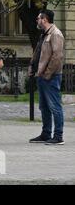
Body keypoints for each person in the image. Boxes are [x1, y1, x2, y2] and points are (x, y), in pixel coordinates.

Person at [28, 9, 65, 145]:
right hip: (41, 75)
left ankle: (58, 136)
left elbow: (57, 56)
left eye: (38, 18)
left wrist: (47, 73)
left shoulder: (55, 34)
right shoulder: (44, 34)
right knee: (44, 107)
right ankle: (46, 133)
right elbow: (38, 52)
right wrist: (32, 67)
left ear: (44, 19)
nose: (37, 20)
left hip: (51, 76)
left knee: (55, 106)